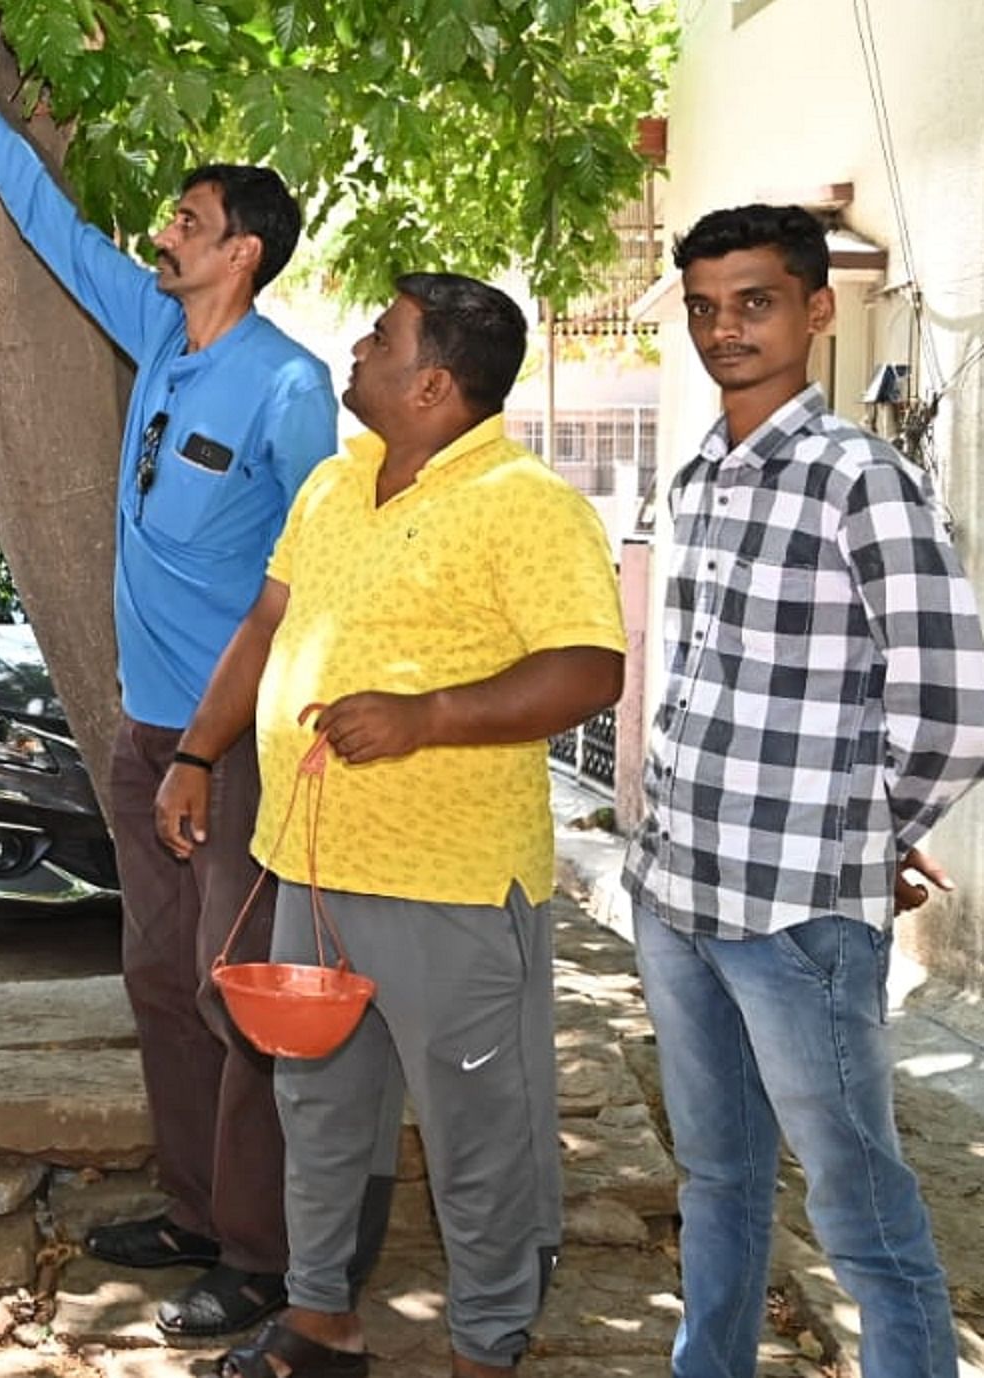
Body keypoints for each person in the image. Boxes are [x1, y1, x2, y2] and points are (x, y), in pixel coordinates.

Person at [0, 62, 339, 1336]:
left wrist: (213, 743)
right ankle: (197, 1209)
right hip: (149, 737)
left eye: (187, 225)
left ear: (240, 254)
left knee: (232, 984)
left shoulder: (290, 388)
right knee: (155, 974)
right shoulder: (158, 338)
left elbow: (315, 576)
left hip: (235, 741)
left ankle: (266, 1258)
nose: (161, 237)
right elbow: (63, 242)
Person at [158, 274, 625, 1376]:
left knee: (478, 1137)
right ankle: (323, 1318)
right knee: (318, 1109)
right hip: (313, 869)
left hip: (454, 886)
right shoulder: (332, 482)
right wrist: (196, 751)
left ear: (433, 382)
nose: (357, 348)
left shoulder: (527, 501)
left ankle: (487, 1347)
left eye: (382, 336)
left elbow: (589, 669)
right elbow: (269, 623)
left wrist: (430, 716)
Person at [626, 204, 984, 1378]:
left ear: (817, 309)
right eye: (705, 307)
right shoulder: (697, 478)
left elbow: (952, 700)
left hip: (795, 916)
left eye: (756, 301)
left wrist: (864, 834)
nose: (726, 328)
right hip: (676, 891)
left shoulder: (859, 480)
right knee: (717, 1175)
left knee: (859, 1202)